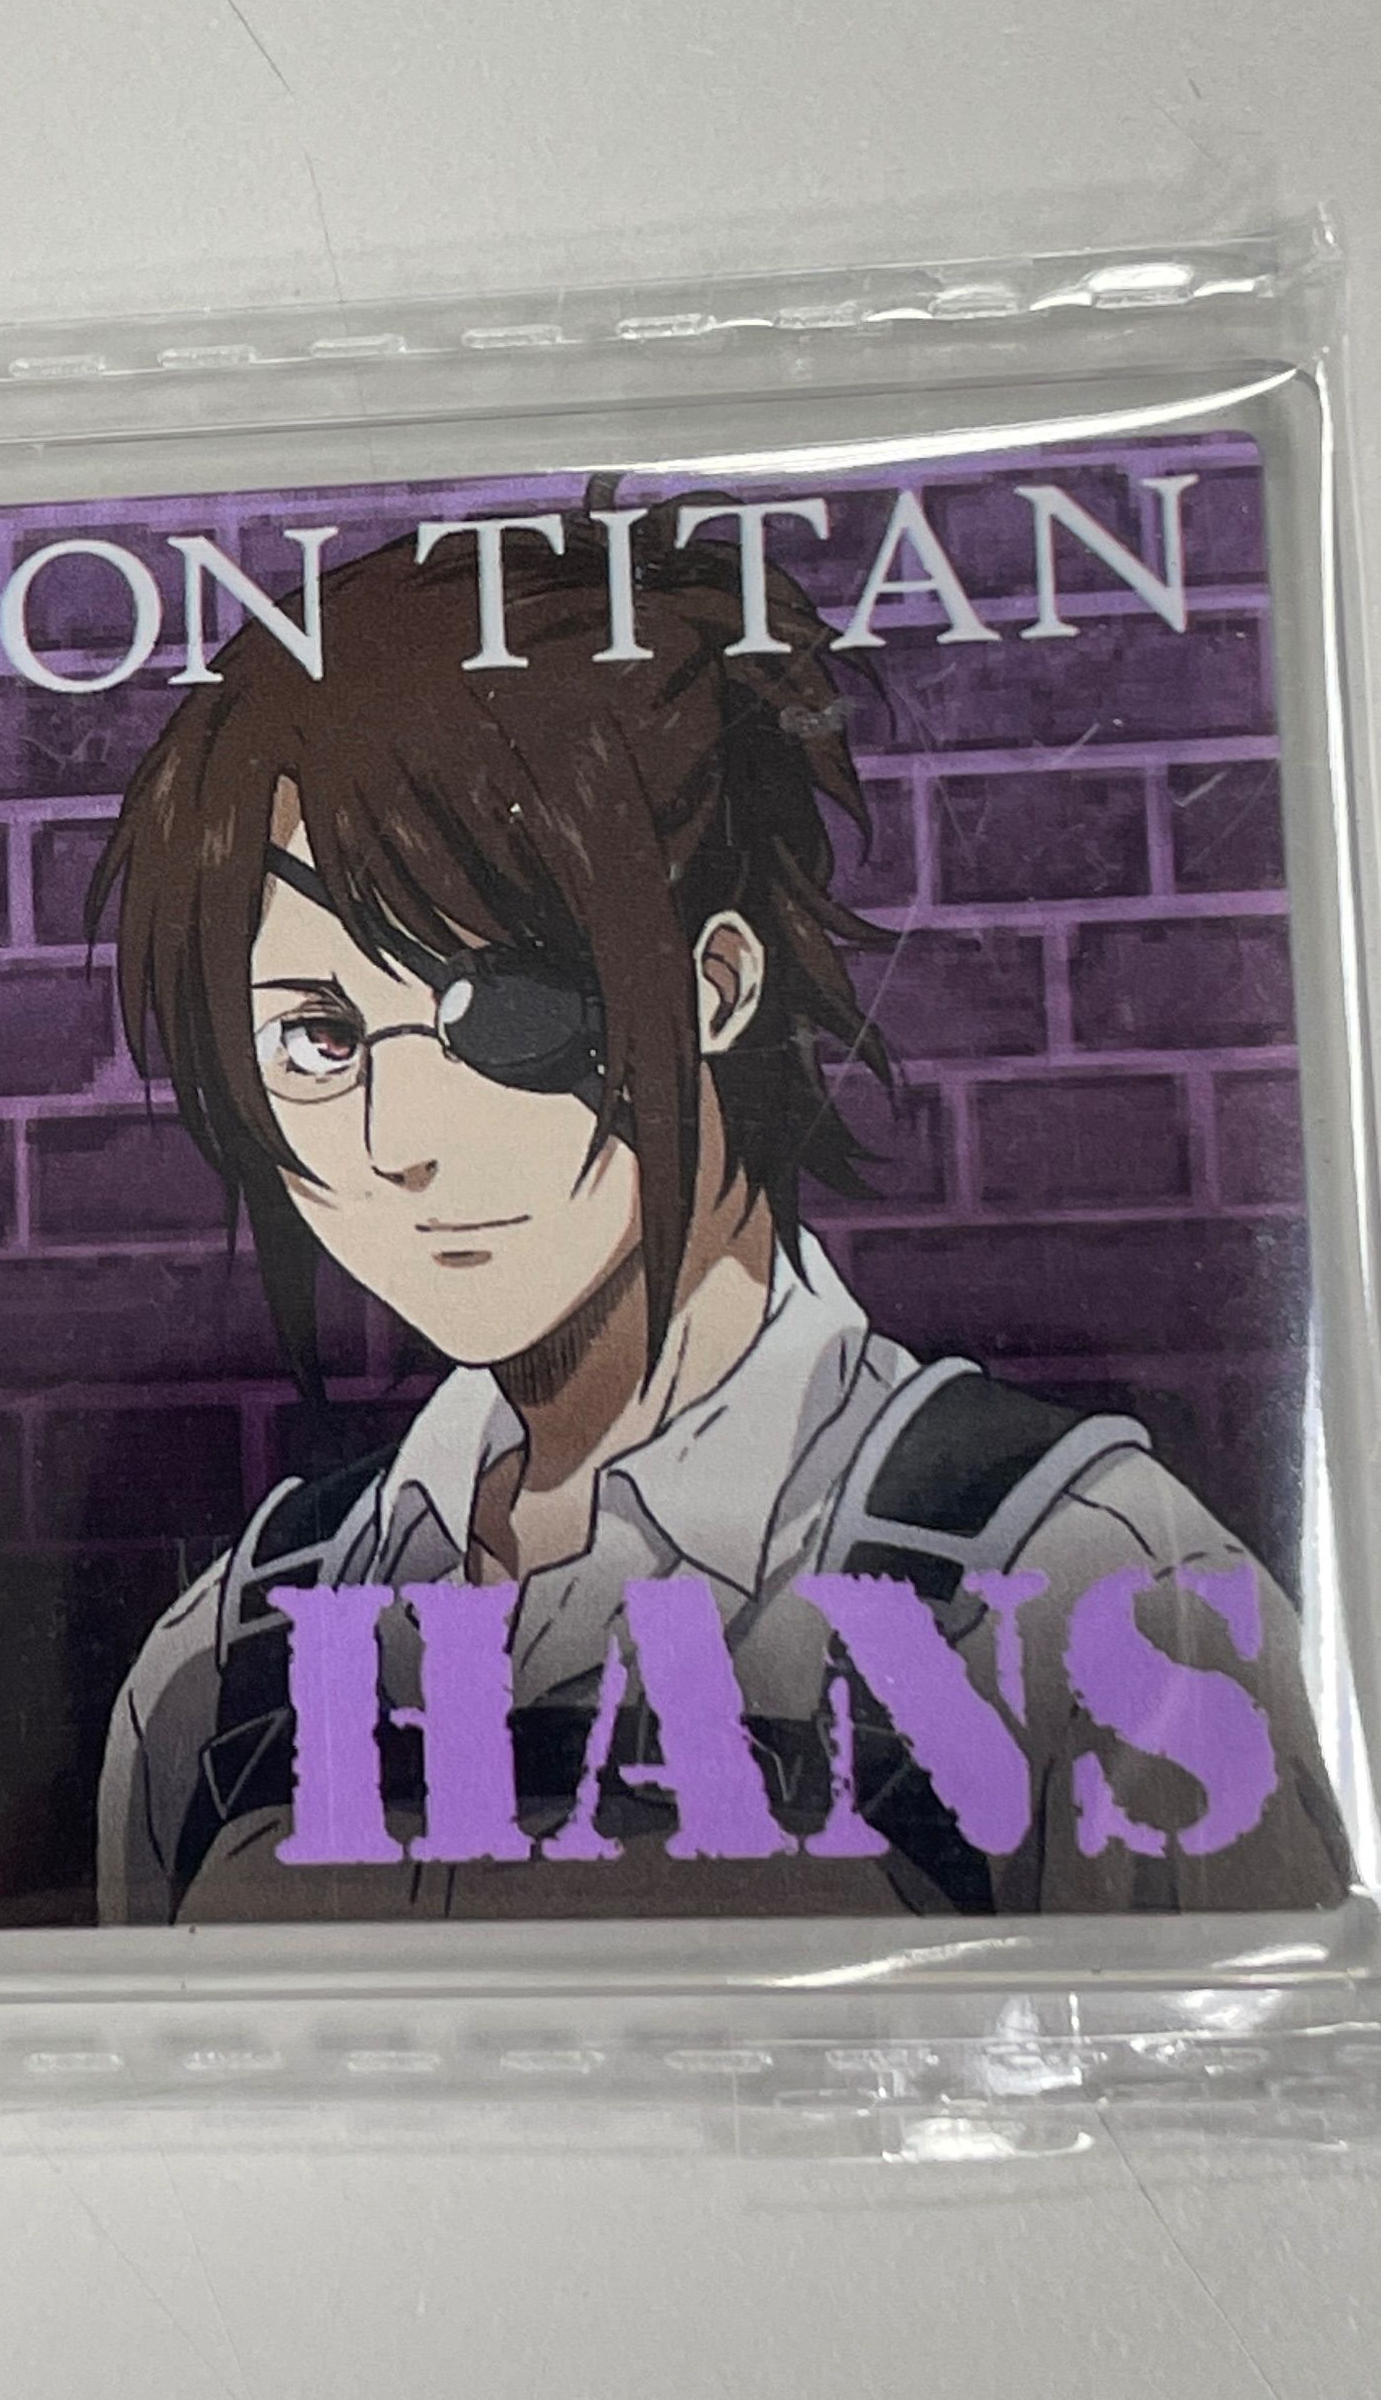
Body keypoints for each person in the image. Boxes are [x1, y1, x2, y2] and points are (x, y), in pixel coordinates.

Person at [87, 490, 1348, 1925]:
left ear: (716, 984)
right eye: (315, 1037)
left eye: (503, 1009)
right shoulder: (220, 1668)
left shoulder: (1096, 1596)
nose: (396, 1140)